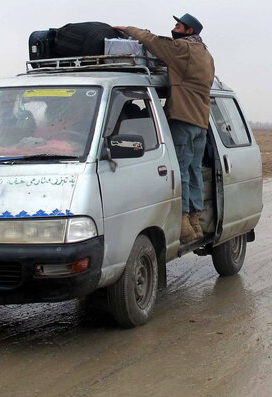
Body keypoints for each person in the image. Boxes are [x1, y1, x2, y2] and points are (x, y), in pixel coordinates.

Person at [113, 13, 215, 244]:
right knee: (194, 171)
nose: (174, 28)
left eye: (178, 25)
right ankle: (196, 222)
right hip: (201, 122)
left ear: (189, 31)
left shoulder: (183, 48)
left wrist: (128, 28)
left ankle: (184, 224)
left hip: (183, 119)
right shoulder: (206, 54)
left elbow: (153, 41)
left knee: (180, 173)